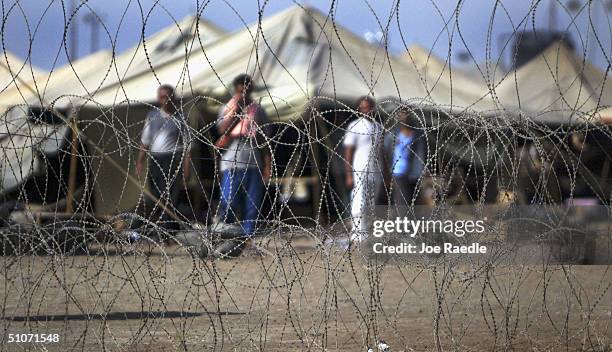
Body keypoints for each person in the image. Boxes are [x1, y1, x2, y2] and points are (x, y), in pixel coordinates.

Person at [216, 74, 271, 238]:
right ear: (236, 87)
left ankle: (248, 236)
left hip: (253, 162)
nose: (245, 89)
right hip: (231, 163)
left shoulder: (258, 110)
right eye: (242, 86)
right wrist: (238, 110)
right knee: (229, 202)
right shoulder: (227, 108)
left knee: (252, 205)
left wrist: (267, 165)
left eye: (248, 86)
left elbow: (264, 139)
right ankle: (227, 234)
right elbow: (222, 131)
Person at [136, 84, 192, 226]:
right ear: (158, 99)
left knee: (171, 196)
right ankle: (161, 225)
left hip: (173, 159)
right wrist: (140, 161)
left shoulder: (181, 118)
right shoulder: (152, 116)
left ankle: (170, 229)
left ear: (173, 97)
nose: (165, 100)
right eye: (162, 97)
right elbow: (145, 141)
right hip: (156, 159)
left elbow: (187, 146)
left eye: (168, 97)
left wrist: (186, 168)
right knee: (156, 195)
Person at [343, 96, 385, 243]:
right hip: (360, 169)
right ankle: (357, 233)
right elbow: (348, 151)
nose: (366, 111)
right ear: (359, 110)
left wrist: (385, 172)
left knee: (372, 202)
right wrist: (349, 174)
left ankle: (368, 232)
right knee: (359, 200)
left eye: (369, 107)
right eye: (363, 108)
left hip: (376, 169)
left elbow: (381, 152)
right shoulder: (355, 126)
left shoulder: (378, 127)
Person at [390, 109, 425, 207]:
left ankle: (409, 221)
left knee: (413, 201)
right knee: (402, 201)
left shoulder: (417, 134)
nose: (403, 118)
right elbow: (385, 151)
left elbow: (420, 153)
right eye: (400, 116)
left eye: (406, 115)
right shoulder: (394, 134)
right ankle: (402, 221)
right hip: (398, 171)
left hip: (413, 172)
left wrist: (422, 169)